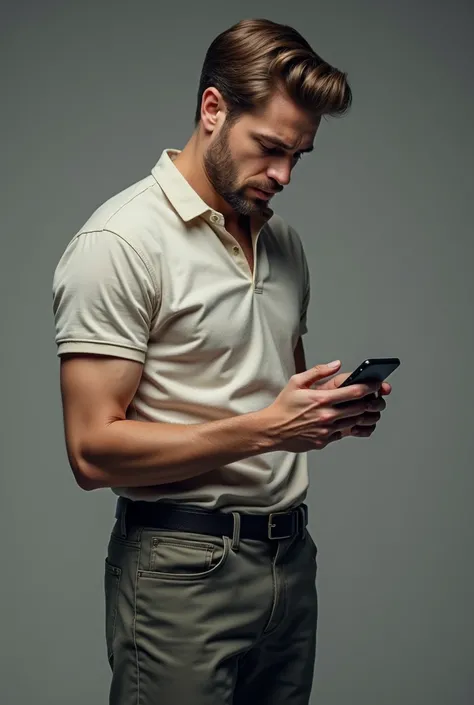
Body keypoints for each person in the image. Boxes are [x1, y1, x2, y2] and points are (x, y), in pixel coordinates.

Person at [52, 17, 391, 705]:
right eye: (270, 148)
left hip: (291, 564)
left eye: (300, 156)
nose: (284, 174)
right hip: (182, 572)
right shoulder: (119, 243)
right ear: (213, 109)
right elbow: (91, 452)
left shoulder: (285, 243)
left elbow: (270, 399)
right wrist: (272, 427)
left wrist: (329, 412)